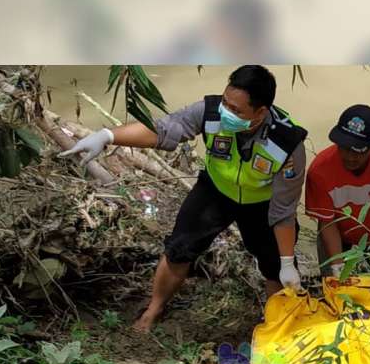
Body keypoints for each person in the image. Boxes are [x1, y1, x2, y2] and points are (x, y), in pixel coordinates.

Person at [61, 65, 307, 332]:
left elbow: (283, 210)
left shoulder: (286, 143)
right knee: (179, 249)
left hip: (262, 203)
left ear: (260, 112)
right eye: (226, 102)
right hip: (215, 190)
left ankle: (276, 326)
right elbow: (164, 130)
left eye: (236, 110)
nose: (226, 112)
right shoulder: (210, 112)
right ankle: (154, 308)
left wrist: (286, 263)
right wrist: (108, 136)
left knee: (275, 268)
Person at [304, 105, 370, 282]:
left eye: (358, 150)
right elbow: (327, 222)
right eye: (345, 148)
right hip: (338, 234)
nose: (350, 156)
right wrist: (337, 267)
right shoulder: (320, 170)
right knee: (334, 284)